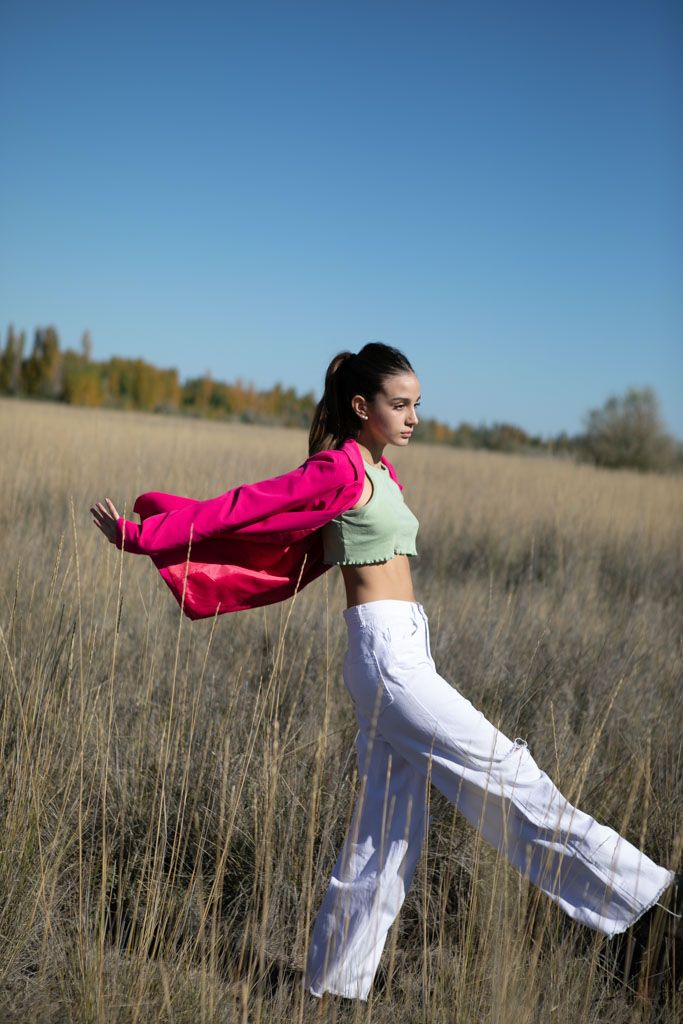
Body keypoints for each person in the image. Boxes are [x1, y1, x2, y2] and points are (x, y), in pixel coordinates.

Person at [91, 342, 681, 1002]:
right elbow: (245, 504)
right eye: (399, 405)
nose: (412, 418)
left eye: (417, 405)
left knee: (386, 833)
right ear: (360, 406)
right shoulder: (336, 466)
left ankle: (333, 989)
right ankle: (649, 914)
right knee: (512, 775)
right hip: (387, 662)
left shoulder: (381, 471)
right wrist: (144, 537)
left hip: (404, 652)